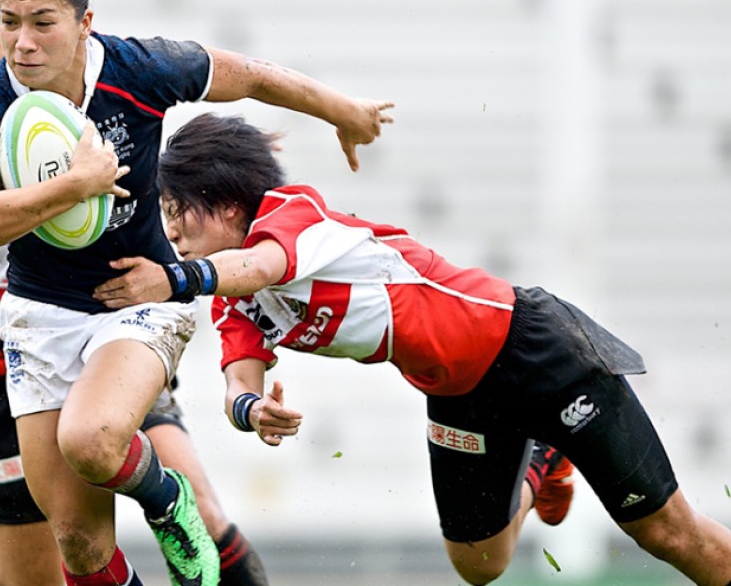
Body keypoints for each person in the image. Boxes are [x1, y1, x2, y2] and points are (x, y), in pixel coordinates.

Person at [91, 112, 731, 586]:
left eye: (180, 210)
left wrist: (172, 279)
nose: (171, 231)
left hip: (536, 351)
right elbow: (240, 376)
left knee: (667, 534)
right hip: (458, 396)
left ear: (228, 202)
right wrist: (252, 410)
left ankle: (549, 442)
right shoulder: (228, 293)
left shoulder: (292, 215)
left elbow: (262, 267)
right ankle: (541, 462)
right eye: (164, 213)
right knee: (479, 565)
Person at [0, 0, 393, 586]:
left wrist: (341, 109)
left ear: (84, 22)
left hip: (141, 298)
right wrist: (72, 186)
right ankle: (156, 510)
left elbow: (253, 77)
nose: (22, 43)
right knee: (78, 543)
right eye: (9, 23)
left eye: (43, 23)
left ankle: (165, 498)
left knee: (92, 442)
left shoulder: (139, 68)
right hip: (38, 317)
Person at [0, 0, 269, 586]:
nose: (18, 47)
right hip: (11, 360)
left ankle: (167, 505)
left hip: (115, 334)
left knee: (204, 508)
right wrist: (30, 326)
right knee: (51, 561)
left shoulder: (84, 105)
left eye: (31, 27)